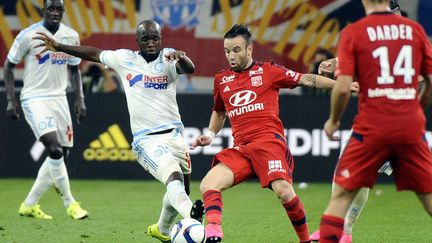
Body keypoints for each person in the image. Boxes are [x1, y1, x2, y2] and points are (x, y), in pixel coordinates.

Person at [33, 19, 204, 242]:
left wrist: (180, 56)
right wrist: (60, 46)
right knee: (173, 178)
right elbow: (95, 53)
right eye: (145, 39)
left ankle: (162, 230)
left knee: (181, 190)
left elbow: (189, 68)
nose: (151, 43)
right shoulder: (125, 59)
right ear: (137, 41)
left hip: (175, 137)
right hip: (147, 141)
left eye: (155, 38)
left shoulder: (169, 56)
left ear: (161, 39)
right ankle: (193, 220)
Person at [191, 24, 359, 243]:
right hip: (242, 148)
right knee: (208, 183)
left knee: (284, 192)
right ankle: (213, 231)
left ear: (250, 49)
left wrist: (340, 84)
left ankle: (306, 240)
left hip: (268, 143)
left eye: (236, 50)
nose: (231, 56)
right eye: (227, 51)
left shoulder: (269, 71)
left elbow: (307, 79)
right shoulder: (222, 80)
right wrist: (211, 135)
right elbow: (219, 112)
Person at [310, 1, 427, 242]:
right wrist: (414, 111)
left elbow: (343, 89)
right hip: (409, 124)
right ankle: (344, 232)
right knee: (428, 193)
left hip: (373, 125)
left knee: (342, 191)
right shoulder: (413, 31)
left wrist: (332, 121)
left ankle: (340, 232)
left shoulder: (356, 31)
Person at [3, 0, 88, 220]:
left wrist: (80, 99)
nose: (55, 12)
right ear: (44, 10)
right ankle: (71, 204)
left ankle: (29, 204)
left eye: (59, 9)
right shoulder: (28, 35)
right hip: (34, 98)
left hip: (59, 98)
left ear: (63, 11)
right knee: (54, 149)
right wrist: (11, 100)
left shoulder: (70, 36)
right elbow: (9, 65)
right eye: (50, 8)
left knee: (62, 154)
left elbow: (74, 69)